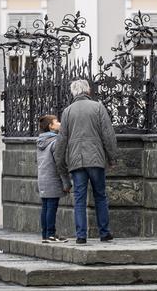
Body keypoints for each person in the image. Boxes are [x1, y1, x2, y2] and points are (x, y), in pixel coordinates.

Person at [53, 79, 118, 244]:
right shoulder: (97, 107)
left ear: (73, 93)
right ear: (88, 91)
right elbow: (108, 135)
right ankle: (104, 232)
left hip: (76, 162)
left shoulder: (67, 112)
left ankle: (81, 236)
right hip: (96, 159)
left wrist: (61, 166)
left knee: (79, 199)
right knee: (100, 196)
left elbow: (61, 141)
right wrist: (112, 158)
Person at [36, 114, 70, 243]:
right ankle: (51, 234)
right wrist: (67, 183)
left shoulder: (40, 141)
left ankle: (45, 234)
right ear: (50, 126)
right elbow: (59, 163)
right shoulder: (55, 142)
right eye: (57, 122)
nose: (60, 123)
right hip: (53, 179)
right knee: (51, 207)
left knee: (45, 207)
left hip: (43, 178)